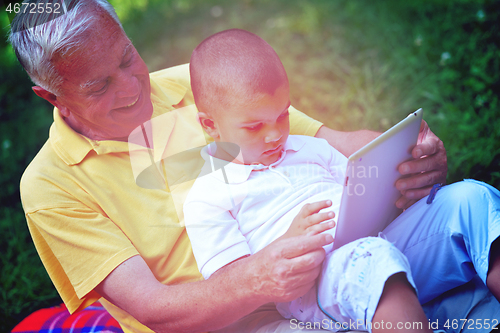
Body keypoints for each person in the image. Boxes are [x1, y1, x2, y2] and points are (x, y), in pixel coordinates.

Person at [9, 0, 496, 332]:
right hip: (236, 323)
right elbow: (154, 311)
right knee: (389, 283)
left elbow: (335, 143)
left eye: (127, 58)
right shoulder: (51, 186)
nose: (132, 88)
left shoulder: (199, 84)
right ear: (51, 97)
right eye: (99, 86)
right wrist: (260, 278)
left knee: (472, 206)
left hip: (332, 254)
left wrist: (410, 152)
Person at [184, 29, 433, 332]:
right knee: (373, 259)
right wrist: (288, 243)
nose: (275, 134)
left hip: (378, 237)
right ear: (211, 125)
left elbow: (363, 190)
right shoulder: (208, 197)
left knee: (470, 200)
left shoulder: (311, 148)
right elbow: (234, 286)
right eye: (253, 127)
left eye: (282, 116)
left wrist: (396, 174)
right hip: (316, 284)